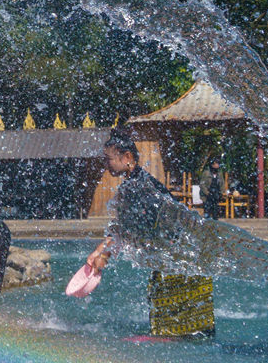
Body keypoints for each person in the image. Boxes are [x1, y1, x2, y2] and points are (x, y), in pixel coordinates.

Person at [83, 129, 215, 338]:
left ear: (127, 157)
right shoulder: (139, 183)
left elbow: (127, 230)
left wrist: (105, 256)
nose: (105, 164)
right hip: (187, 256)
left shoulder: (137, 187)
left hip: (177, 260)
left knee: (174, 333)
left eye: (108, 159)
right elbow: (121, 227)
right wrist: (98, 251)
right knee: (194, 331)